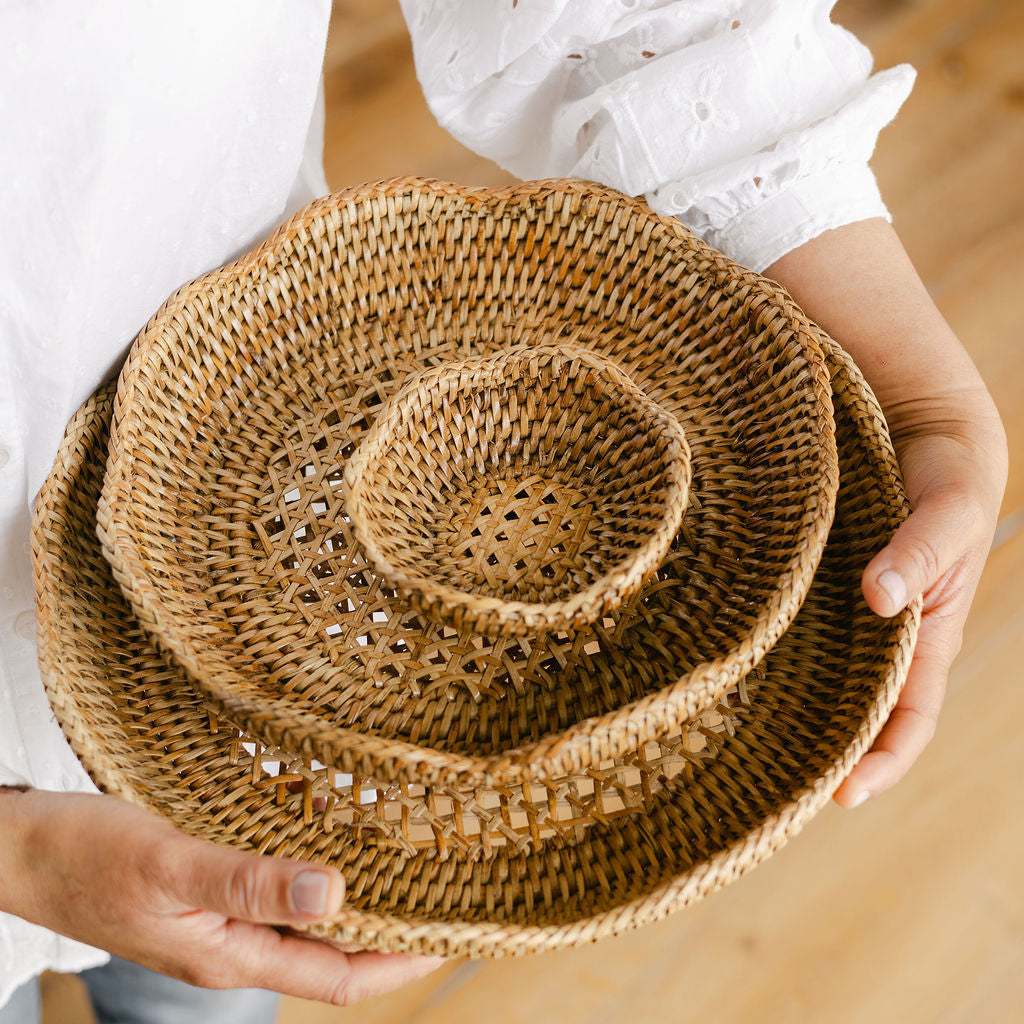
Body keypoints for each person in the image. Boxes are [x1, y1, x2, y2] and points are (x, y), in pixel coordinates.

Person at [0, 0, 1007, 1019]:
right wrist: (18, 855)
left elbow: (625, 17)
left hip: (273, 578)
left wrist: (923, 394)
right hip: (221, 635)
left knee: (209, 997)